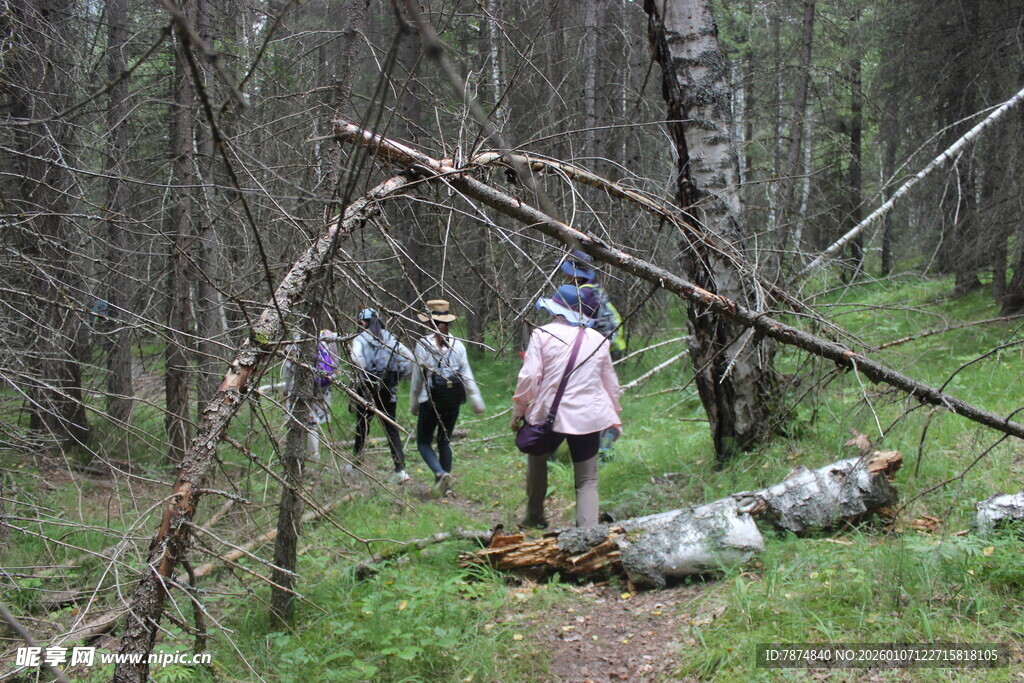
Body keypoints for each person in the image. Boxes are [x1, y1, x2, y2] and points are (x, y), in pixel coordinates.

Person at [511, 285, 621, 528]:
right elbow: (610, 383)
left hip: (549, 415)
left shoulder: (542, 334)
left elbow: (529, 378)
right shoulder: (599, 339)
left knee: (537, 462)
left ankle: (535, 517)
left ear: (556, 309)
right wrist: (615, 416)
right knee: (587, 480)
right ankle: (588, 537)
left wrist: (519, 410)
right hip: (589, 418)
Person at [410, 299, 485, 495]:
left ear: (429, 322)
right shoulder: (458, 345)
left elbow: (417, 379)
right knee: (445, 441)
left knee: (423, 443)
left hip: (430, 401)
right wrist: (475, 397)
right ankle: (447, 487)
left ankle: (439, 473)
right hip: (453, 400)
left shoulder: (423, 345)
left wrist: (414, 403)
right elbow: (466, 373)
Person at [560, 250, 624, 461]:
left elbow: (575, 325)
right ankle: (603, 445)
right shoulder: (595, 289)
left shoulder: (582, 295)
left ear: (575, 274)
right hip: (605, 349)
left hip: (591, 352)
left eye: (568, 272)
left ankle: (599, 447)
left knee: (589, 398)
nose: (565, 276)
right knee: (601, 396)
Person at [350, 308, 414, 483]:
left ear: (363, 322)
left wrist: (363, 377)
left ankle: (356, 465)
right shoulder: (390, 337)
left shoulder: (360, 338)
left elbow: (356, 358)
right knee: (391, 428)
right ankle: (400, 470)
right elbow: (408, 357)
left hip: (367, 390)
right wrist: (400, 376)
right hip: (388, 389)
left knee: (362, 425)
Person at [282, 328, 340, 462]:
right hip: (322, 386)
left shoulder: (297, 338)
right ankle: (315, 455)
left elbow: (288, 366)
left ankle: (297, 453)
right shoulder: (328, 337)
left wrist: (286, 387)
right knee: (313, 422)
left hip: (300, 384)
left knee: (297, 418)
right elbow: (336, 363)